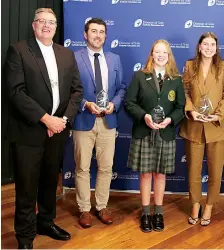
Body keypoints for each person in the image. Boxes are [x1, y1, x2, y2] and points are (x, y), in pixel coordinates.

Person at [4, 8, 83, 249]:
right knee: (27, 187)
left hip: (58, 131)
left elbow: (77, 91)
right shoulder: (18, 51)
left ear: (56, 27)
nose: (47, 26)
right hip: (29, 131)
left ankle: (46, 222)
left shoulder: (66, 54)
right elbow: (16, 92)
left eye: (51, 22)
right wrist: (46, 119)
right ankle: (25, 237)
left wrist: (62, 120)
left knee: (50, 182)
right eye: (42, 21)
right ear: (33, 25)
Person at [124, 39, 185, 233]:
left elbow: (181, 107)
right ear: (152, 55)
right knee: (146, 173)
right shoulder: (140, 76)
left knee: (160, 173)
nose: (160, 55)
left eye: (164, 52)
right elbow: (129, 102)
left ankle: (158, 212)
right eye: (157, 52)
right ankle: (145, 212)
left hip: (165, 133)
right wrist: (145, 116)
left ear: (169, 56)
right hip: (144, 131)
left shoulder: (176, 79)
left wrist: (170, 120)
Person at [72, 18, 126, 228]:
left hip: (107, 121)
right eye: (93, 31)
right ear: (85, 35)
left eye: (101, 32)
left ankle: (102, 206)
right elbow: (70, 89)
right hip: (83, 119)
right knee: (82, 167)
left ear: (105, 35)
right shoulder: (74, 58)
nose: (97, 35)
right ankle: (84, 209)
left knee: (106, 167)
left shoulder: (115, 59)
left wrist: (114, 104)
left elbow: (121, 87)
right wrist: (85, 104)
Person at [179, 32, 224, 226]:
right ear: (200, 47)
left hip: (217, 126)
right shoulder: (189, 65)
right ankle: (195, 204)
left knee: (215, 171)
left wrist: (218, 114)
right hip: (194, 125)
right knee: (193, 170)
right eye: (205, 44)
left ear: (216, 47)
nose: (209, 47)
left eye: (212, 44)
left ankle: (209, 206)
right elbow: (184, 92)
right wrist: (191, 111)